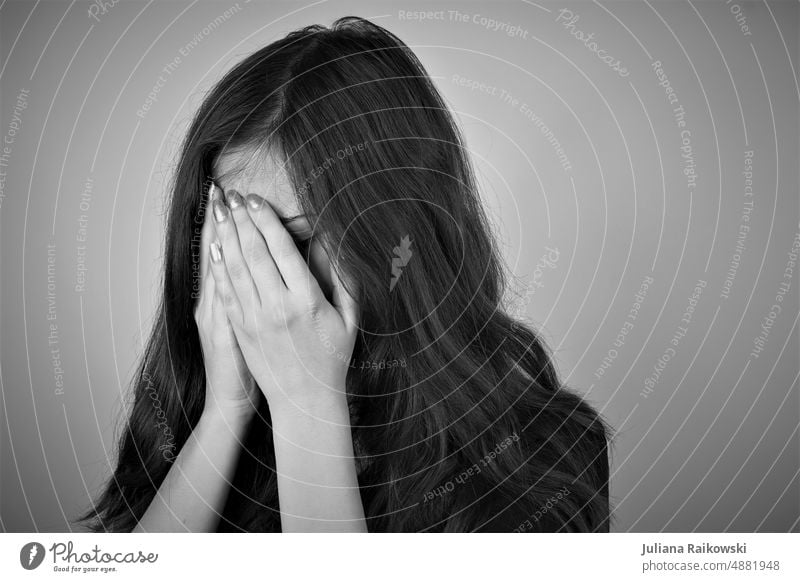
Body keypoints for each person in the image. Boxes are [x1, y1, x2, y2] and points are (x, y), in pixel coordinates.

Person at [80, 16, 611, 533]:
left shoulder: (538, 452)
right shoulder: (194, 417)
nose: (259, 275)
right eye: (238, 237)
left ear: (395, 233)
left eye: (295, 238)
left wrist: (306, 405)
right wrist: (224, 413)